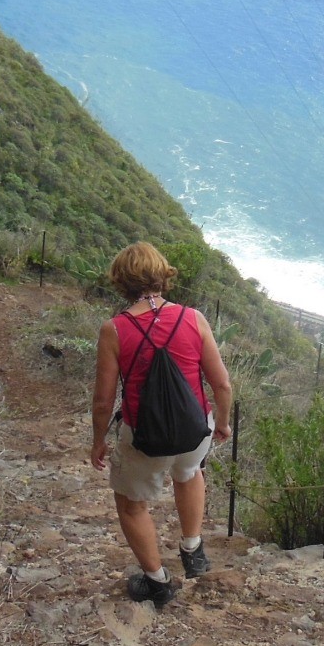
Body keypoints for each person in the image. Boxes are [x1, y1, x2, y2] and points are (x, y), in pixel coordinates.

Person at [91, 242, 233, 607]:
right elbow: (222, 385)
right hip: (194, 431)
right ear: (161, 274)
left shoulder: (114, 329)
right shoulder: (193, 318)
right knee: (190, 473)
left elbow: (104, 400)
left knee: (131, 505)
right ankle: (193, 550)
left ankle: (157, 582)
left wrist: (98, 440)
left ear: (121, 281)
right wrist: (222, 423)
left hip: (144, 437)